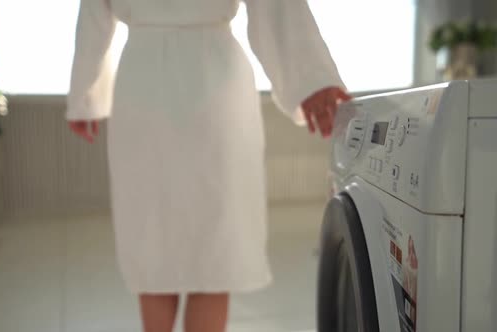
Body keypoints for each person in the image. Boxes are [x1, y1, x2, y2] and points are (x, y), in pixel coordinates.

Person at [65, 1, 350, 331]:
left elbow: (93, 14)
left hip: (143, 82)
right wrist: (311, 79)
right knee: (213, 242)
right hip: (212, 77)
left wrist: (83, 95)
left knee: (153, 235)